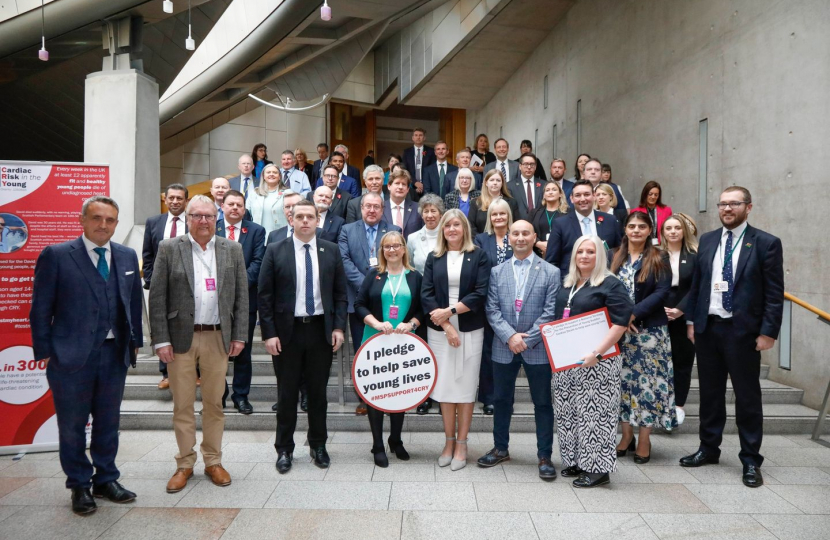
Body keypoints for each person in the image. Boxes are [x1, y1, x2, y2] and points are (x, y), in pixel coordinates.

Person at [30, 196, 143, 515]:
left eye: (109, 220)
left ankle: (106, 479)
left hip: (113, 354)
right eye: (96, 218)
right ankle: (79, 484)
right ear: (82, 220)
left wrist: (135, 342)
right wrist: (45, 352)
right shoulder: (57, 255)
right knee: (72, 425)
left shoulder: (125, 255)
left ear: (116, 224)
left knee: (109, 422)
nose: (102, 225)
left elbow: (133, 304)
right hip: (69, 357)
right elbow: (40, 308)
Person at [680, 186, 784, 488]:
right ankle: (708, 448)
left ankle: (750, 459)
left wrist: (768, 332)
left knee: (747, 397)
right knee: (710, 395)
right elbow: (698, 285)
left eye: (734, 204)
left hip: (743, 333)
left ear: (748, 207)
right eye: (723, 204)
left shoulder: (765, 243)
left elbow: (774, 294)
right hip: (708, 328)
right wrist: (691, 321)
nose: (727, 209)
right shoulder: (709, 240)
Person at [148, 195, 248, 494]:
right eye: (196, 216)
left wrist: (239, 334)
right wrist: (161, 339)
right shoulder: (169, 248)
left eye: (207, 216)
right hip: (180, 339)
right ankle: (184, 463)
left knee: (215, 403)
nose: (202, 221)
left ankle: (213, 461)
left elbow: (242, 296)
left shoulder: (232, 249)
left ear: (216, 217)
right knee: (183, 404)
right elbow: (157, 298)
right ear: (186, 218)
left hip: (218, 337)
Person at [259, 199, 348, 473]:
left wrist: (338, 328)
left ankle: (318, 445)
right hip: (287, 333)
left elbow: (340, 295)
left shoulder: (331, 250)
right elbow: (264, 296)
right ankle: (284, 449)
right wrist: (269, 333)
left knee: (318, 393)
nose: (306, 221)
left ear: (317, 221)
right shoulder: (275, 250)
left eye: (310, 216)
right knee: (286, 394)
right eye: (300, 216)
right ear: (291, 220)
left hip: (320, 331)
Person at [478, 220, 559, 479]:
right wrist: (510, 336)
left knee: (543, 403)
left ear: (534, 237)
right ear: (508, 238)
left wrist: (528, 338)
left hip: (538, 348)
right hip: (504, 346)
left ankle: (544, 455)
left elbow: (550, 312)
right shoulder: (496, 271)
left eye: (526, 233)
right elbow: (491, 309)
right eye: (516, 233)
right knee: (501, 400)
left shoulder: (551, 272)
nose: (521, 238)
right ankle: (501, 448)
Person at [551, 235, 633, 488]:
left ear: (600, 256)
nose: (584, 256)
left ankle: (598, 469)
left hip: (599, 362)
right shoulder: (567, 284)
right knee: (568, 413)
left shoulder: (611, 284)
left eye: (591, 252)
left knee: (595, 414)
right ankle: (576, 460)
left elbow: (620, 323)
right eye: (580, 252)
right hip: (567, 361)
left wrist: (597, 353)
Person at [421, 209, 490, 470]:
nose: (452, 229)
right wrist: (448, 325)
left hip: (470, 327)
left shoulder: (478, 255)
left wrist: (450, 312)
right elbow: (426, 294)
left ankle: (462, 443)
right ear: (442, 230)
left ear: (464, 229)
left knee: (465, 385)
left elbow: (480, 293)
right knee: (445, 387)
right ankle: (448, 441)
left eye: (456, 225)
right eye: (447, 225)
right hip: (439, 330)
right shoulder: (434, 257)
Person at [612, 211, 676, 464]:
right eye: (632, 226)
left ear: (650, 230)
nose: (636, 230)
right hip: (620, 334)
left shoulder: (659, 256)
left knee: (648, 385)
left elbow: (662, 292)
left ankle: (645, 438)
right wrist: (620, 318)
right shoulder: (615, 256)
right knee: (624, 385)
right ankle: (626, 436)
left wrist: (633, 315)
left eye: (641, 226)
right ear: (625, 230)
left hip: (650, 333)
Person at [354, 231, 424, 467]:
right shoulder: (374, 275)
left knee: (400, 392)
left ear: (404, 249)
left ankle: (396, 439)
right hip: (375, 341)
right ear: (381, 251)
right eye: (387, 247)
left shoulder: (415, 276)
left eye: (396, 246)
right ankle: (377, 444)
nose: (392, 250)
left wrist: (411, 323)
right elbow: (359, 304)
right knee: (376, 394)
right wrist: (374, 322)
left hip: (404, 345)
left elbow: (423, 308)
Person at [339, 192, 402, 415]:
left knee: (389, 351)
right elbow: (344, 261)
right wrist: (368, 285)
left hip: (390, 299)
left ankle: (391, 393)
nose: (372, 210)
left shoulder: (394, 230)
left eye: (376, 206)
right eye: (368, 206)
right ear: (361, 208)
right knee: (363, 351)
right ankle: (366, 397)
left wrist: (379, 288)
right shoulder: (347, 230)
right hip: (359, 302)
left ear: (383, 209)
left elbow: (397, 262)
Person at [216, 190, 266, 415]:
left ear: (244, 209)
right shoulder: (211, 227)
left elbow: (258, 262)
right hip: (213, 300)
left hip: (245, 299)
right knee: (214, 351)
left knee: (242, 351)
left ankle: (241, 396)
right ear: (223, 206)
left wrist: (237, 286)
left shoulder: (256, 231)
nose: (235, 208)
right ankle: (218, 395)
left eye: (239, 205)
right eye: (231, 204)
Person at [142, 184, 189, 389]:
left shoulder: (195, 220)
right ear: (165, 199)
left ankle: (193, 371)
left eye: (179, 198)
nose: (175, 202)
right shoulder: (154, 222)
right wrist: (152, 281)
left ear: (186, 200)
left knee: (189, 327)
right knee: (162, 327)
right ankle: (166, 373)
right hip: (161, 286)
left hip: (188, 286)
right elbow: (147, 255)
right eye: (171, 198)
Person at [473, 198, 515, 415]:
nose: (498, 217)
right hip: (487, 303)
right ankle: (488, 397)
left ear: (508, 216)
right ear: (489, 217)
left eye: (502, 214)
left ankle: (507, 396)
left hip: (514, 303)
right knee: (488, 351)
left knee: (510, 352)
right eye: (494, 214)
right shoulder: (481, 239)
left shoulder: (516, 237)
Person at [406, 193, 445, 415]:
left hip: (445, 302)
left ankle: (443, 396)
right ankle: (424, 395)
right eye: (426, 211)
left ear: (441, 213)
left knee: (442, 351)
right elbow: (410, 268)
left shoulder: (449, 235)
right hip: (421, 302)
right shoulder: (412, 238)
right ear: (421, 214)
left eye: (434, 211)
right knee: (423, 350)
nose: (430, 215)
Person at [661, 213, 699, 425]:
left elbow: (697, 287)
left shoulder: (694, 255)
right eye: (668, 228)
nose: (673, 231)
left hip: (685, 314)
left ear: (684, 230)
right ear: (663, 232)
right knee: (660, 361)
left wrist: (680, 310)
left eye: (677, 227)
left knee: (683, 361)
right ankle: (662, 401)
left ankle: (679, 405)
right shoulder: (656, 255)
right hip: (660, 312)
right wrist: (661, 310)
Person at [545, 180, 622, 276]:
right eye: (577, 195)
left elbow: (620, 254)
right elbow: (551, 262)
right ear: (571, 199)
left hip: (605, 280)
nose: (582, 199)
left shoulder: (610, 220)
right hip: (571, 281)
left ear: (594, 196)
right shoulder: (560, 224)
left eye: (586, 194)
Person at [468, 169, 520, 235]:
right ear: (486, 183)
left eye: (498, 180)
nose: (495, 183)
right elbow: (471, 227)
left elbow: (516, 225)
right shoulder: (476, 202)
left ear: (502, 183)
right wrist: (480, 241)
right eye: (492, 180)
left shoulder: (512, 202)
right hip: (481, 242)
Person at [528, 180, 569, 259]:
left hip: (561, 255)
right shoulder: (534, 213)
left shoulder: (568, 213)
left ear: (560, 194)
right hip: (537, 255)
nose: (550, 192)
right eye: (547, 190)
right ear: (544, 195)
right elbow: (528, 231)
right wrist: (538, 243)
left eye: (554, 190)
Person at [246, 163, 287, 237]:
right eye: (268, 172)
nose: (271, 174)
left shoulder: (288, 193)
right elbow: (246, 213)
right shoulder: (254, 193)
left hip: (280, 237)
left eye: (275, 172)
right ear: (263, 176)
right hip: (258, 237)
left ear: (280, 177)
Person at [383, 168, 424, 240]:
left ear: (408, 189)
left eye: (404, 184)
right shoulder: (381, 208)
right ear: (389, 186)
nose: (400, 187)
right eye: (397, 183)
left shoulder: (418, 208)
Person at [508, 152, 544, 221]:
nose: (529, 167)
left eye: (532, 164)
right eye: (526, 164)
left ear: (536, 167)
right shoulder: (510, 186)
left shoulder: (544, 185)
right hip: (519, 226)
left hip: (540, 225)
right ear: (520, 166)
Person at [403, 127, 435, 199]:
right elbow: (405, 170)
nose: (418, 137)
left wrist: (422, 184)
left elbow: (432, 169)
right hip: (411, 186)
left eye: (420, 135)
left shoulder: (431, 151)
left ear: (424, 138)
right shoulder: (407, 152)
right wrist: (414, 182)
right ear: (412, 138)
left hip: (426, 187)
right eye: (416, 135)